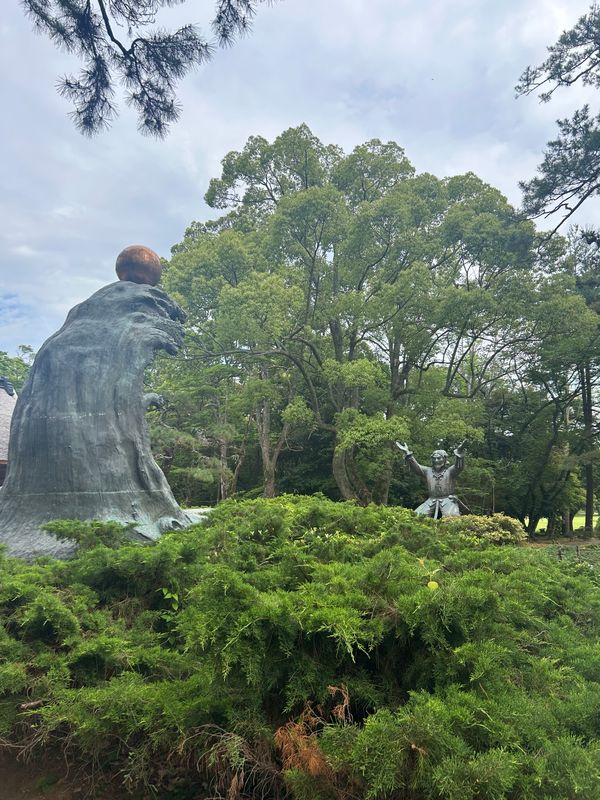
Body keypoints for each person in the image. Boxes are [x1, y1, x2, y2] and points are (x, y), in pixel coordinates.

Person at [395, 440, 467, 518]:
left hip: (447, 500)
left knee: (452, 517)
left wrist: (459, 453)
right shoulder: (427, 471)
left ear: (445, 459)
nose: (436, 461)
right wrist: (408, 454)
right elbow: (417, 468)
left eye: (439, 458)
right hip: (431, 500)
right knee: (416, 516)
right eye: (434, 458)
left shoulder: (450, 472)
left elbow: (458, 467)